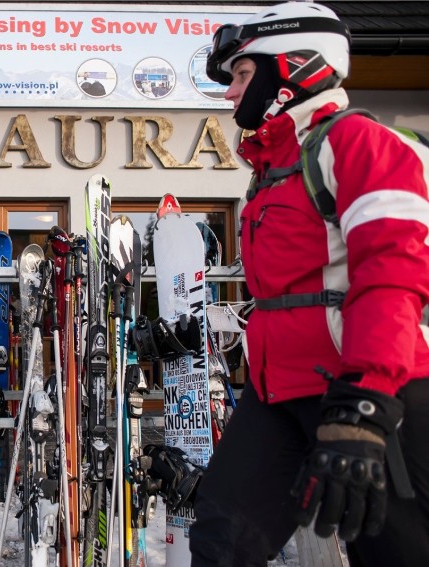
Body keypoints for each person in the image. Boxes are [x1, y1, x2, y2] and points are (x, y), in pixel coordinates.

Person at [188, 2, 429, 566]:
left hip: (368, 393)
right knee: (221, 542)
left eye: (242, 76)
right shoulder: (270, 172)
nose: (229, 95)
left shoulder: (360, 145)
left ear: (292, 70)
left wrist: (365, 405)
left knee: (395, 551)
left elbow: (392, 275)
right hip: (279, 396)